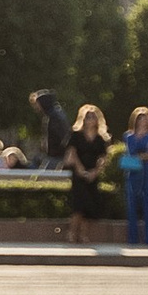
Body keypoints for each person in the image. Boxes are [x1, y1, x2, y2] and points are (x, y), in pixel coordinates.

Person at [62, 103, 110, 249]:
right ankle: (71, 233)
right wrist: (80, 169)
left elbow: (103, 157)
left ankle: (83, 235)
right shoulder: (76, 135)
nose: (90, 119)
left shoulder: (101, 139)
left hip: (92, 174)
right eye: (88, 116)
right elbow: (72, 153)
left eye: (93, 117)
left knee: (89, 206)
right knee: (78, 205)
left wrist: (95, 171)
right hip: (78, 174)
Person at [120, 106, 148, 253]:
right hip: (133, 173)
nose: (143, 121)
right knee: (132, 205)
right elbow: (130, 152)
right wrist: (142, 155)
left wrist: (147, 154)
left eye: (145, 119)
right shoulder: (129, 136)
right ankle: (133, 238)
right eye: (140, 119)